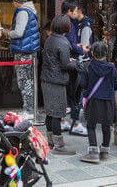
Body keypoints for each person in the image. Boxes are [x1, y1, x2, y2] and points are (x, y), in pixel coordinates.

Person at [40, 14, 78, 156]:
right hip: (56, 81)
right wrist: (74, 63)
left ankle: (50, 141)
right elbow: (65, 64)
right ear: (65, 27)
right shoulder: (62, 42)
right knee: (56, 114)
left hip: (47, 79)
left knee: (50, 113)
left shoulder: (50, 39)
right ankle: (59, 145)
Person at [79, 41, 117, 164]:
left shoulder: (88, 67)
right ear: (106, 54)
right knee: (107, 126)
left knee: (91, 125)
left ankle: (93, 153)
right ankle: (105, 151)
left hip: (93, 101)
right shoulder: (112, 67)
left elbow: (83, 85)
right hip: (109, 101)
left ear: (92, 53)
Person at [7, 0, 40, 120]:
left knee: (24, 81)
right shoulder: (30, 10)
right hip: (29, 51)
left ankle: (28, 111)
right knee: (29, 81)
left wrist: (8, 33)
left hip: (23, 52)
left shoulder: (22, 12)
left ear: (16, 2)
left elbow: (18, 33)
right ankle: (31, 109)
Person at [60, 0, 86, 136]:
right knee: (75, 95)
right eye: (75, 11)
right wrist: (82, 50)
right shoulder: (68, 23)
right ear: (69, 11)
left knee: (67, 94)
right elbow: (70, 44)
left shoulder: (59, 21)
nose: (77, 13)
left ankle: (63, 122)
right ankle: (75, 124)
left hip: (63, 63)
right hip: (70, 63)